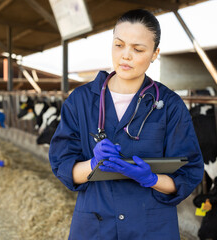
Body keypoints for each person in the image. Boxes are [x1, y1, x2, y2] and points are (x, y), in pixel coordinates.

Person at [49, 9, 204, 239]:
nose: (126, 56)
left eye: (138, 49)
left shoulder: (169, 105)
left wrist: (151, 179)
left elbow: (188, 173)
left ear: (154, 53)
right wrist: (93, 165)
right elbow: (63, 166)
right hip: (96, 225)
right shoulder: (80, 101)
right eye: (119, 45)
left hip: (151, 227)